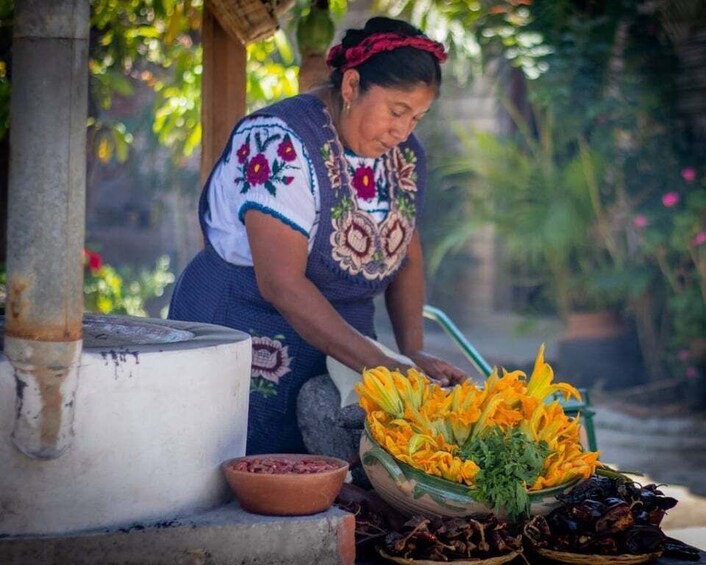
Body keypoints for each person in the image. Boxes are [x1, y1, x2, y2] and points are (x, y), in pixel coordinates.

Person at [169, 16, 467, 456]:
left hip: (344, 353)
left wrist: (413, 351)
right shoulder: (277, 142)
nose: (403, 131)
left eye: (417, 117)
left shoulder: (403, 154)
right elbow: (282, 283)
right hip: (244, 334)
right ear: (350, 86)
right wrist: (385, 366)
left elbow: (407, 251)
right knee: (235, 479)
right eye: (397, 111)